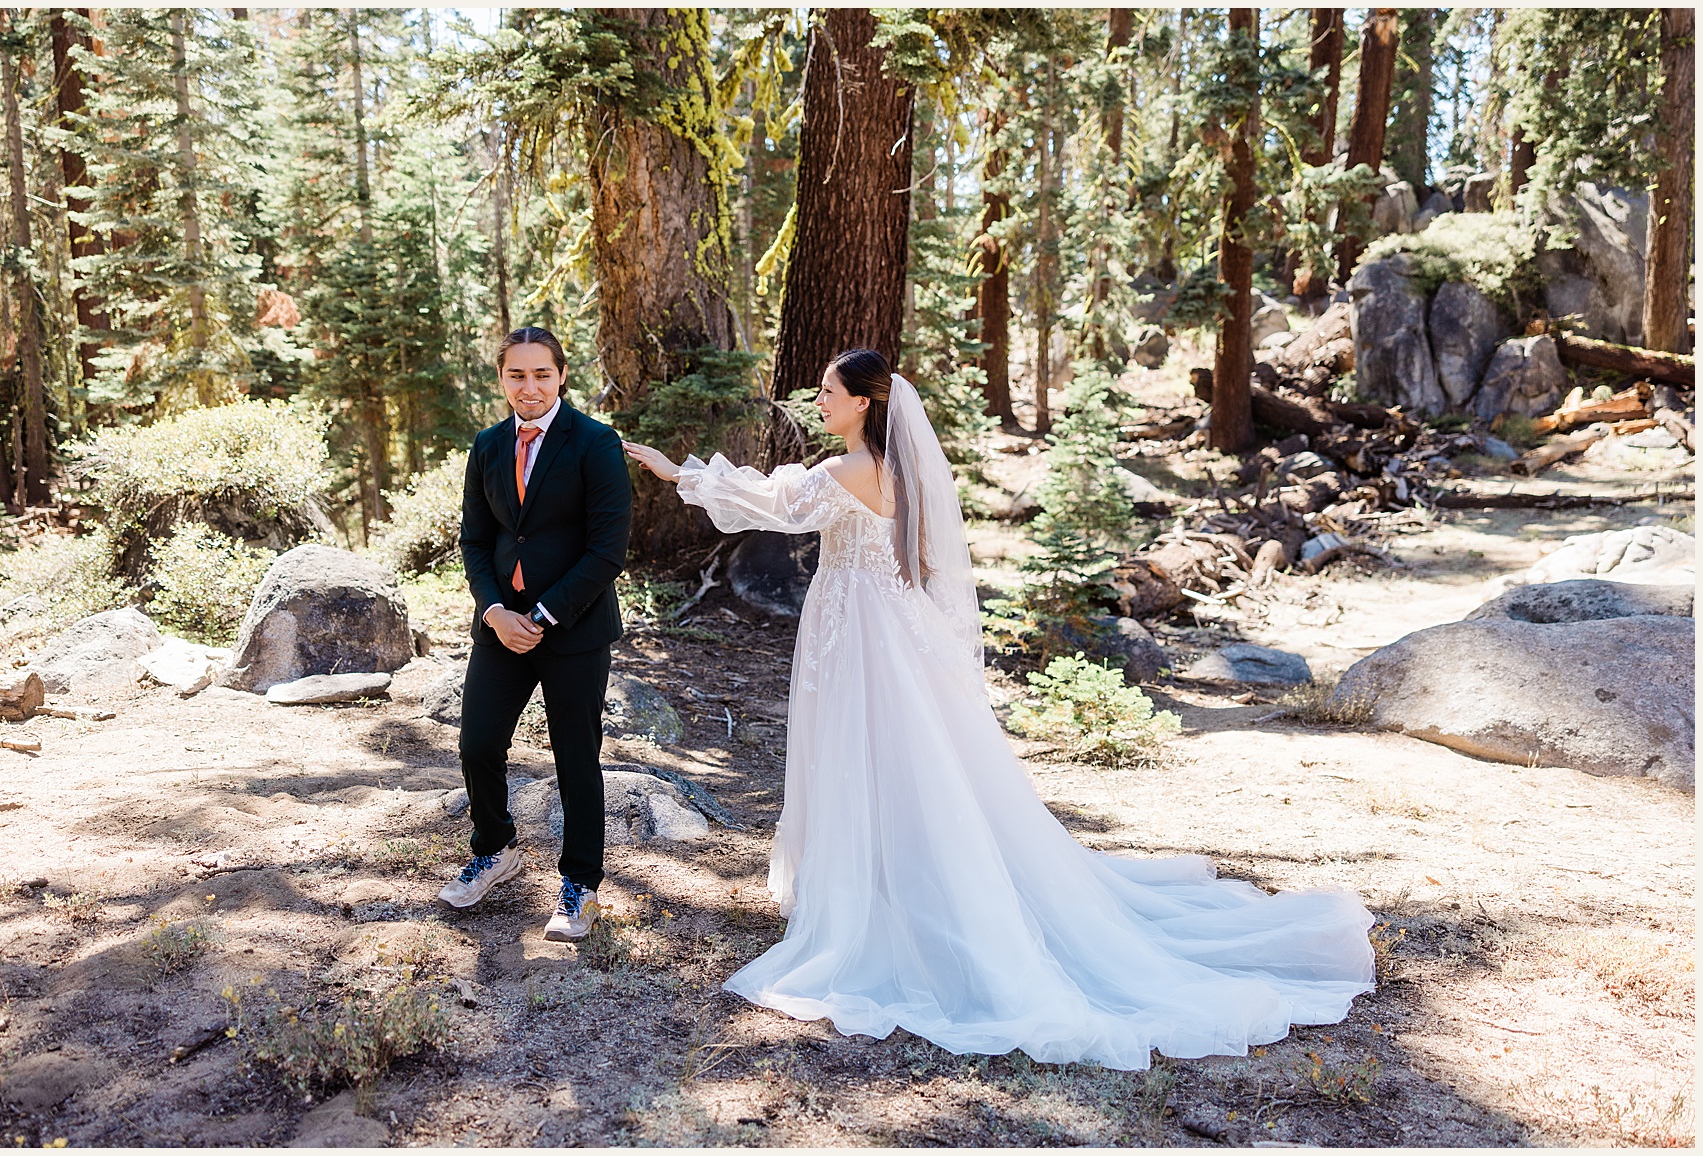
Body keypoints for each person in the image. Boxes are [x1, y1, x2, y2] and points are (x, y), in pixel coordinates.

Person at [621, 349, 1375, 1070]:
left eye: (827, 392)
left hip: (855, 631)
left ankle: (872, 893)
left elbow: (770, 503)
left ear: (862, 403)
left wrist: (675, 470)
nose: (818, 401)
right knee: (909, 755)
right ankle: (893, 876)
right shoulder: (898, 466)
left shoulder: (846, 467)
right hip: (891, 625)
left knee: (859, 748)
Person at [439, 327, 633, 942]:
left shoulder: (596, 444)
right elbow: (476, 540)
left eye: (541, 375)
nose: (529, 387)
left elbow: (608, 550)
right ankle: (495, 849)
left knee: (576, 756)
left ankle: (581, 883)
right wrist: (495, 611)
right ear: (501, 379)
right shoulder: (487, 445)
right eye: (516, 375)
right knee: (477, 744)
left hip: (571, 627)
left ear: (561, 376)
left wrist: (544, 616)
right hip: (500, 626)